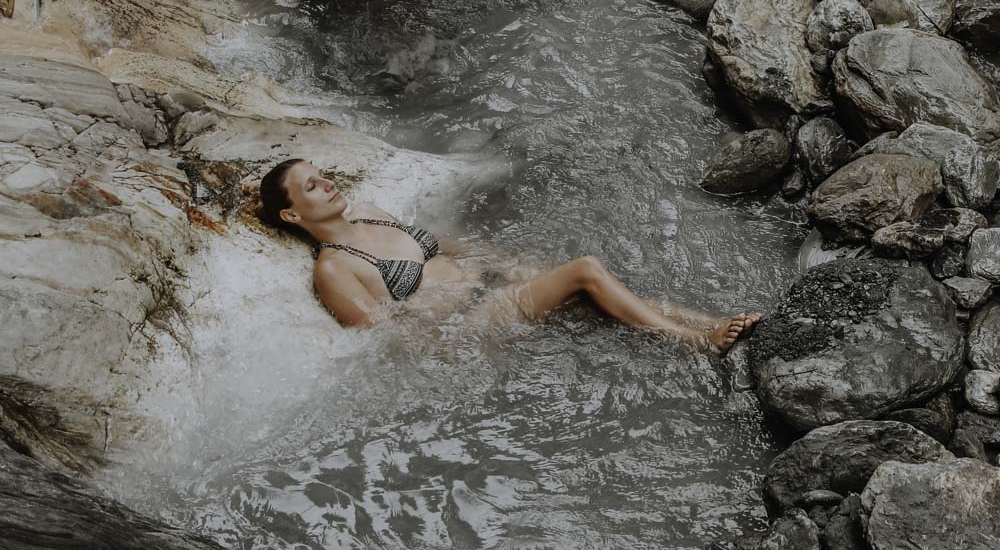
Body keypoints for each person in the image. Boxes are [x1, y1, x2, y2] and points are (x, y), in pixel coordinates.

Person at [256, 159, 760, 352]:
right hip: (472, 318)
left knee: (600, 294)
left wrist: (504, 260)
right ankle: (700, 344)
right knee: (585, 271)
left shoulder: (370, 210)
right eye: (311, 186)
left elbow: (442, 245)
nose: (327, 183)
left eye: (323, 174)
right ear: (293, 216)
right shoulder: (333, 267)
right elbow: (379, 334)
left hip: (488, 281)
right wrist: (452, 317)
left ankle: (708, 322)